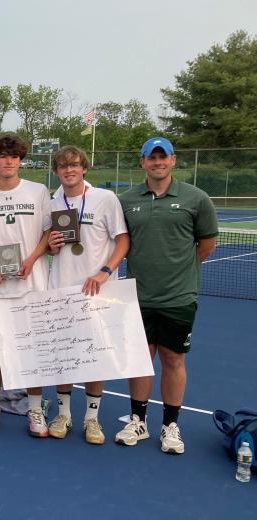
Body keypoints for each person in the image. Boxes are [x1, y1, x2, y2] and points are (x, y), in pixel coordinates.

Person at [115, 136, 217, 454]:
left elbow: (207, 244)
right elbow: (119, 241)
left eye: (164, 156)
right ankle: (138, 420)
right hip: (137, 297)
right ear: (142, 162)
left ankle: (170, 426)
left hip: (179, 298)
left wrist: (178, 271)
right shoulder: (126, 200)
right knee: (141, 361)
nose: (158, 162)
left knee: (173, 359)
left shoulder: (196, 199)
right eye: (151, 157)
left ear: (173, 160)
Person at [45, 145, 130, 444]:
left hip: (98, 291)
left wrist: (104, 272)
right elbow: (45, 242)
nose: (69, 170)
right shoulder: (51, 201)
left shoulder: (105, 199)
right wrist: (51, 245)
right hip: (62, 288)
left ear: (84, 168)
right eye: (63, 166)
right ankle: (64, 414)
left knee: (96, 356)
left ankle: (91, 419)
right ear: (56, 171)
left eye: (75, 165)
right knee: (64, 354)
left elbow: (122, 241)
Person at [0, 134, 52, 436]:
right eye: (3, 156)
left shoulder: (38, 191)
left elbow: (48, 232)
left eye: (14, 156)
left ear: (20, 160)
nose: (8, 161)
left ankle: (34, 410)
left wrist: (32, 259)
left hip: (32, 282)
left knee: (32, 345)